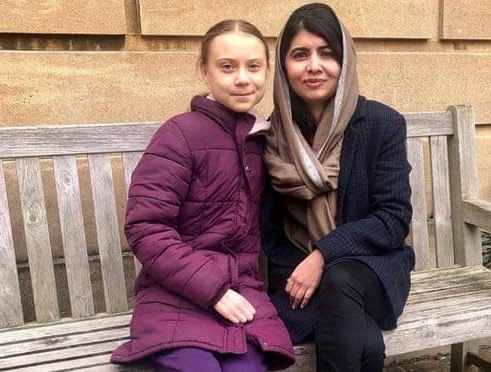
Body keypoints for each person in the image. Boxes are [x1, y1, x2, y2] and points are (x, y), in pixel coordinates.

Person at [111, 19, 295, 372]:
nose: (242, 78)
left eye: (254, 67)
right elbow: (146, 227)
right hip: (173, 296)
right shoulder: (179, 134)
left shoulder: (264, 142)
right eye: (227, 67)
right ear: (205, 72)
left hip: (243, 294)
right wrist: (215, 291)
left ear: (267, 71)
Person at [261, 3, 415, 372]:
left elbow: (393, 219)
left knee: (342, 279)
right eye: (300, 55)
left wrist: (324, 255)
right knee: (365, 343)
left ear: (344, 61)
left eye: (327, 53)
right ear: (284, 67)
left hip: (373, 266)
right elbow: (270, 230)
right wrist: (305, 267)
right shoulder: (274, 135)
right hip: (297, 273)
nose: (314, 66)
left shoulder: (381, 124)